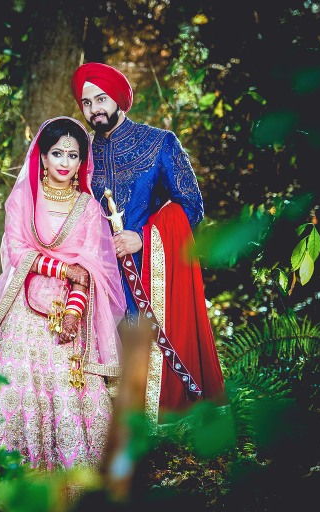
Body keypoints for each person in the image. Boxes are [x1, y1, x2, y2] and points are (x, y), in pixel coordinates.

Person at [0, 116, 126, 470]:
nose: (65, 162)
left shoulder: (88, 208)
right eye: (57, 153)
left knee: (69, 389)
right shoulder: (24, 199)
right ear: (43, 156)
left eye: (73, 155)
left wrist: (73, 313)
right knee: (16, 386)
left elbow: (91, 269)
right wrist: (63, 269)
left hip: (71, 313)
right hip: (25, 310)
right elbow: (18, 251)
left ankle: (73, 471)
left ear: (82, 162)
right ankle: (5, 469)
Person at [70, 62, 225, 424]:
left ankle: (158, 435)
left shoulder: (160, 144)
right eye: (86, 103)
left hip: (150, 277)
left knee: (145, 361)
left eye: (101, 99)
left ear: (119, 99)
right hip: (96, 280)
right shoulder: (80, 154)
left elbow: (192, 206)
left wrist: (142, 238)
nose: (94, 109)